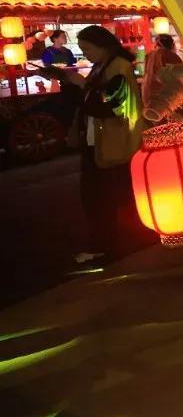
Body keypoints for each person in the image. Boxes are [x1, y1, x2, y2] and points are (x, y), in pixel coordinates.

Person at [44, 26, 153, 264]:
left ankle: (106, 245)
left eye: (87, 49)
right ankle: (119, 241)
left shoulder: (118, 68)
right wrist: (69, 82)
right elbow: (89, 101)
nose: (86, 54)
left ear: (103, 46)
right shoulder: (104, 66)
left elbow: (111, 108)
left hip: (114, 143)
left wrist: (81, 85)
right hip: (100, 141)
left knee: (101, 198)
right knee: (107, 197)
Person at [142, 34, 183, 102]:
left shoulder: (148, 55)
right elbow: (180, 77)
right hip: (163, 97)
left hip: (147, 93)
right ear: (172, 45)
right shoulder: (172, 56)